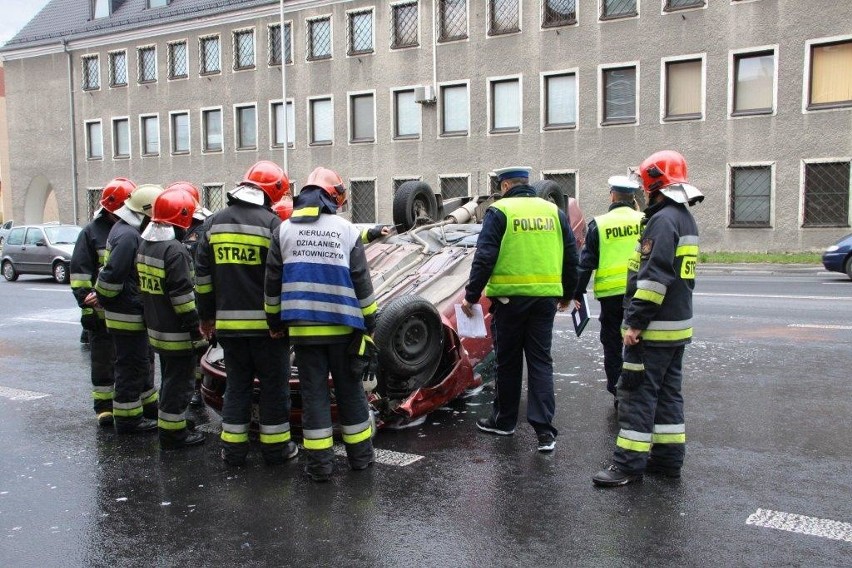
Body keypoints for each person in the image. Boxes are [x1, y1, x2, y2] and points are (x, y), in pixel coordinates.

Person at [592, 150, 703, 487]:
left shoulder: (662, 220)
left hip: (652, 329)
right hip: (676, 327)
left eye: (644, 184)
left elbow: (653, 279)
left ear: (654, 183)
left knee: (637, 395)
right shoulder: (685, 218)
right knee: (668, 394)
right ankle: (668, 462)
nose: (641, 191)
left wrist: (636, 323)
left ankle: (627, 466)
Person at [265, 167, 377, 481]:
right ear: (331, 197)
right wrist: (371, 324)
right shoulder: (346, 230)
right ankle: (361, 459)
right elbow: (361, 284)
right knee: (350, 392)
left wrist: (275, 322)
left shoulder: (283, 231)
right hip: (344, 330)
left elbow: (272, 283)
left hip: (302, 331)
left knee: (314, 397)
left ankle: (320, 468)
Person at [461, 167, 579, 452]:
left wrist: (471, 295)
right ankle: (545, 433)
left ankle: (504, 422)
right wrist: (567, 293)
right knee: (540, 362)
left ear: (504, 186)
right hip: (544, 301)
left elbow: (485, 255)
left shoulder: (500, 211)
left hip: (509, 302)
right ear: (527, 184)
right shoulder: (554, 212)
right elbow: (571, 254)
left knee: (509, 362)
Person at [195, 160, 297, 466]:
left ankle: (234, 451)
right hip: (269, 330)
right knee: (273, 389)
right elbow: (283, 279)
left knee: (237, 387)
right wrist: (281, 322)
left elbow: (202, 279)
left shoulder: (213, 224)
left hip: (228, 329)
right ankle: (276, 450)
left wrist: (206, 318)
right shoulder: (273, 226)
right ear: (271, 194)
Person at [137, 188, 206, 450]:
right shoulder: (175, 251)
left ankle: (171, 425)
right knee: (180, 383)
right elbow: (183, 298)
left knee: (168, 378)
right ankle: (174, 435)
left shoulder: (147, 245)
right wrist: (195, 329)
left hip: (157, 328)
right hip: (177, 332)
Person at [95, 184, 163, 434]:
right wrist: (105, 297)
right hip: (127, 314)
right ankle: (128, 419)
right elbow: (114, 275)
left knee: (139, 362)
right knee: (130, 365)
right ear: (146, 213)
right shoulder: (128, 236)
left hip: (127, 311)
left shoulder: (123, 231)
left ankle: (141, 410)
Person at [573, 176, 644, 407]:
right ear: (633, 197)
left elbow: (586, 265)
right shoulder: (645, 220)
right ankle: (641, 389)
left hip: (611, 298)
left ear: (612, 195)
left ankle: (618, 392)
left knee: (612, 345)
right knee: (640, 341)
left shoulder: (599, 224)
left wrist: (575, 294)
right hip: (641, 293)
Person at [70, 177, 136, 426]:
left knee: (131, 361)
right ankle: (104, 407)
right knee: (103, 360)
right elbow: (79, 272)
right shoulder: (90, 233)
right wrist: (85, 301)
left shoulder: (132, 229)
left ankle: (129, 404)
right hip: (100, 312)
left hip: (127, 309)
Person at [165, 181, 212, 408]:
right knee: (189, 347)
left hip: (196, 294)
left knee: (201, 345)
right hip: (182, 293)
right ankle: (193, 387)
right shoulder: (174, 227)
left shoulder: (202, 227)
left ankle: (199, 386)